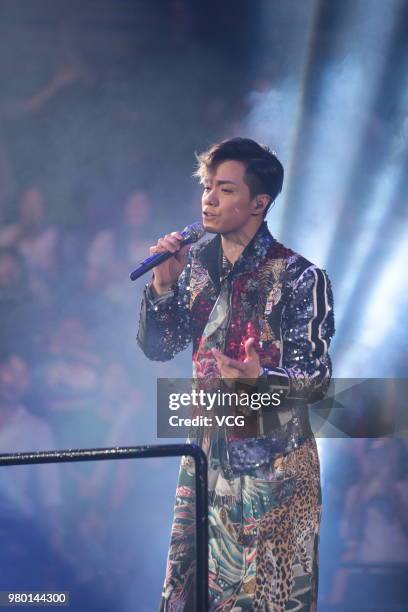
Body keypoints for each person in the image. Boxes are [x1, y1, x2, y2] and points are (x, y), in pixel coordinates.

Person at [137, 137, 335, 611]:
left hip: (277, 462)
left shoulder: (299, 276)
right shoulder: (195, 269)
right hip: (208, 451)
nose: (208, 198)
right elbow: (158, 347)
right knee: (198, 592)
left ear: (258, 203)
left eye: (225, 189)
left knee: (266, 599)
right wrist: (163, 283)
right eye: (207, 187)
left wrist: (259, 379)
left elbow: (318, 377)